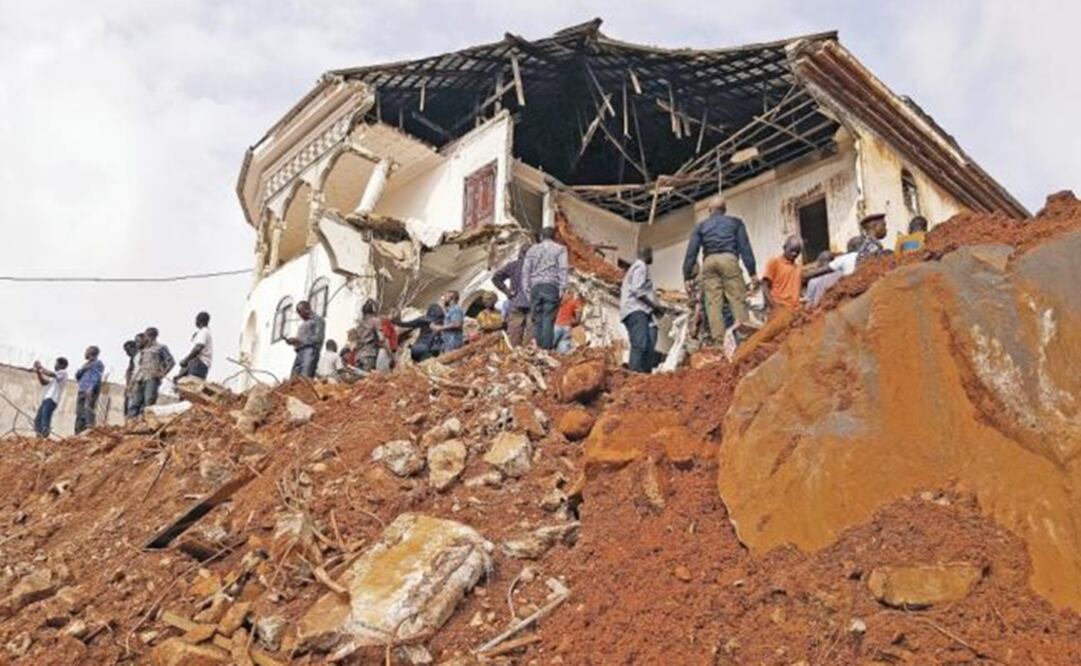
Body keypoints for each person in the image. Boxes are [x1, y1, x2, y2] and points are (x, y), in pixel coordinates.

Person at [682, 195, 757, 343]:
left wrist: (687, 276)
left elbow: (691, 252)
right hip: (729, 259)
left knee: (713, 303)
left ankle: (719, 342)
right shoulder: (736, 223)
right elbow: (745, 248)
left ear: (710, 210)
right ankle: (743, 338)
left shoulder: (701, 226)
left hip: (709, 262)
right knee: (737, 298)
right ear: (724, 209)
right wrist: (752, 272)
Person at [521, 227, 568, 350]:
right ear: (555, 237)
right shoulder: (560, 249)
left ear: (541, 237)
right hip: (551, 286)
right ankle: (545, 349)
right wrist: (562, 289)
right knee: (548, 318)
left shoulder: (532, 250)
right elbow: (563, 269)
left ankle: (537, 348)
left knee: (537, 318)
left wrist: (527, 290)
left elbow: (526, 271)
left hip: (535, 286)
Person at [621, 246, 666, 373]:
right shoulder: (641, 266)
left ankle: (644, 375)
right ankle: (633, 375)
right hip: (635, 310)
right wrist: (654, 306)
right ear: (648, 254)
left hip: (642, 312)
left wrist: (653, 309)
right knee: (640, 345)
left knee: (649, 343)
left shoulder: (638, 267)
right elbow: (637, 290)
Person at [130, 327, 175, 417]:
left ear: (153, 336)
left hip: (152, 378)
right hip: (140, 379)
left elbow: (171, 362)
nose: (147, 338)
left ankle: (145, 423)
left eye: (148, 335)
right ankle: (131, 423)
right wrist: (133, 381)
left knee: (149, 402)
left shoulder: (161, 347)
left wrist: (162, 374)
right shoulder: (143, 349)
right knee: (135, 403)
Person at [493, 245, 531, 346]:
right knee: (532, 334)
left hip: (516, 301)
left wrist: (507, 292)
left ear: (520, 253)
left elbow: (496, 278)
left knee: (514, 332)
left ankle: (515, 355)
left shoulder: (513, 265)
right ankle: (529, 354)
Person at [762, 236, 805, 315]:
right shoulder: (774, 262)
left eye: (797, 252)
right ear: (784, 247)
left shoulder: (799, 269)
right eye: (792, 250)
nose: (794, 254)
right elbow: (765, 287)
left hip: (794, 311)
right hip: (779, 308)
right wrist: (774, 307)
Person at [287, 300, 325, 378]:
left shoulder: (318, 320)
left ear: (307, 309)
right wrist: (294, 342)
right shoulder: (304, 323)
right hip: (300, 352)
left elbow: (318, 338)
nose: (300, 315)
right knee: (294, 378)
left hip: (310, 351)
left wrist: (299, 340)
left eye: (300, 312)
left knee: (305, 377)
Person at [33, 357, 68, 438]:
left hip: (52, 399)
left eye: (56, 363)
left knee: (45, 420)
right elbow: (44, 382)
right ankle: (39, 437)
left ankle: (44, 437)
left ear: (62, 365)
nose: (55, 365)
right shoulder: (55, 376)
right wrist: (38, 372)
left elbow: (51, 374)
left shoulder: (63, 373)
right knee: (38, 420)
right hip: (46, 399)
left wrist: (40, 367)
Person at [74, 346, 104, 434]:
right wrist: (82, 370)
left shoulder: (98, 363)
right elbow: (77, 377)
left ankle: (90, 430)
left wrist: (91, 388)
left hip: (90, 390)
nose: (85, 353)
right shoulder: (85, 365)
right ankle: (78, 432)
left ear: (91, 352)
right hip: (82, 390)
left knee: (88, 409)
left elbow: (96, 377)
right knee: (79, 412)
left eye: (86, 351)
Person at [350, 299, 385, 372]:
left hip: (358, 357)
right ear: (373, 311)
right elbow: (381, 338)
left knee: (361, 381)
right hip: (369, 355)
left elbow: (353, 345)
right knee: (368, 380)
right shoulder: (375, 321)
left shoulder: (359, 325)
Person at [177, 311, 213, 380]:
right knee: (183, 384)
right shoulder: (203, 332)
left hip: (199, 364)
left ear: (198, 320)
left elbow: (198, 348)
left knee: (192, 385)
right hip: (197, 364)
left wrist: (186, 360)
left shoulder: (204, 332)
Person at [552, 286, 583, 354]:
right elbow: (577, 321)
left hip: (557, 326)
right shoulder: (577, 302)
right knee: (562, 349)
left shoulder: (561, 300)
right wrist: (570, 323)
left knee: (547, 347)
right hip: (567, 328)